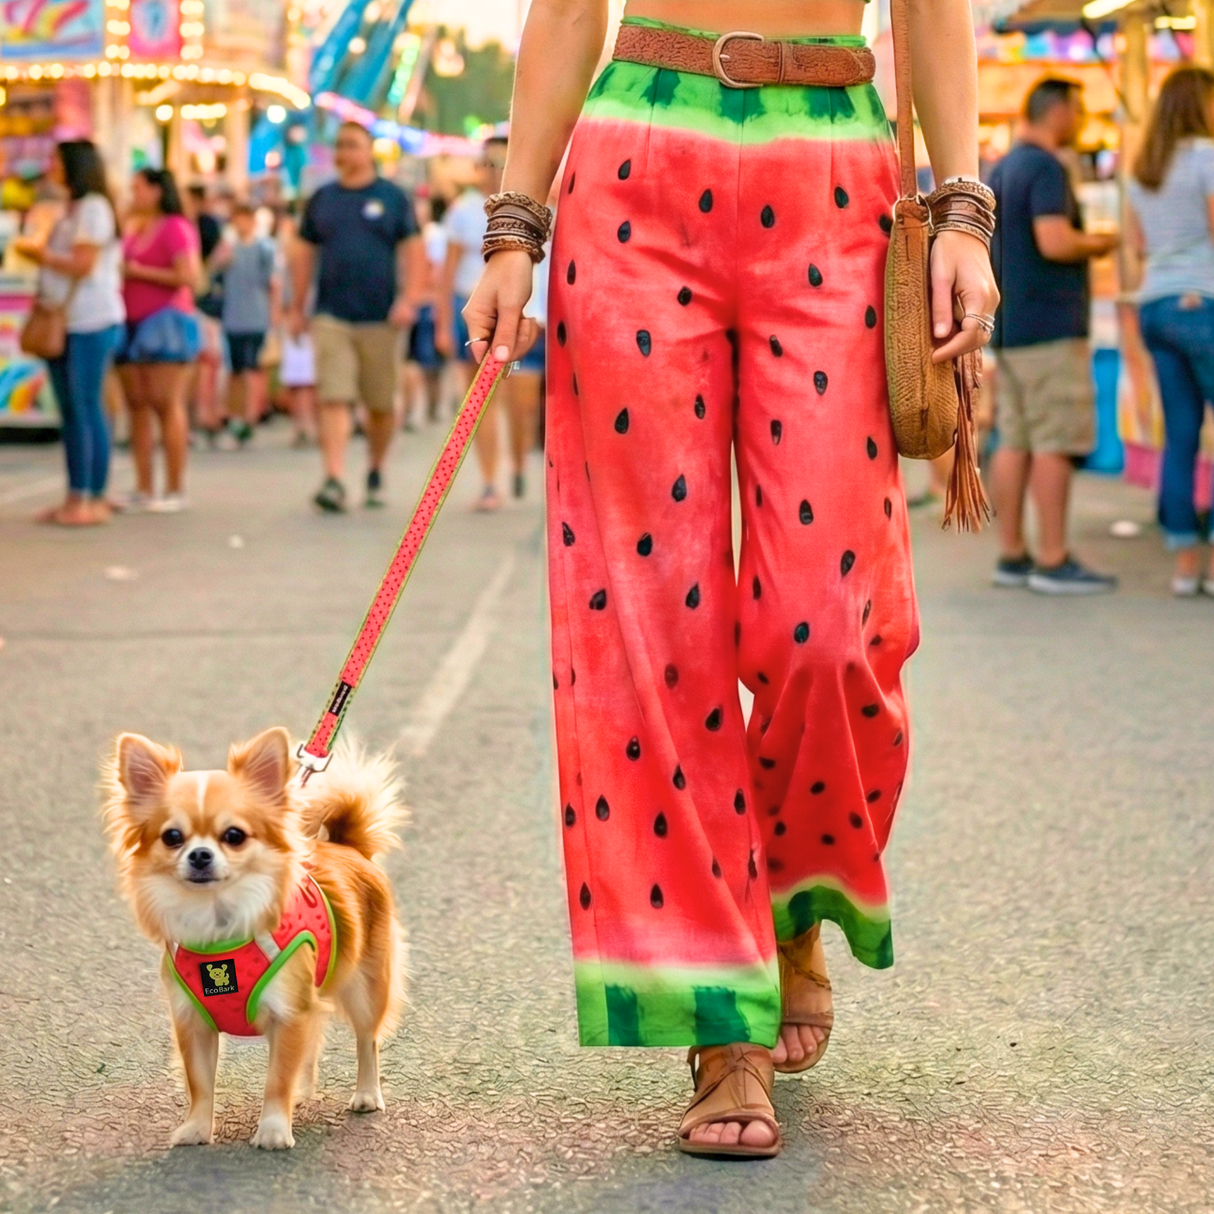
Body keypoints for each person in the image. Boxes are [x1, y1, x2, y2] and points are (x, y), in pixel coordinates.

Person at [464, 0, 998, 1158]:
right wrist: (514, 228)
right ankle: (720, 1017)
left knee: (824, 622)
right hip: (634, 176)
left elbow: (931, 8)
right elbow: (563, 10)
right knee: (649, 622)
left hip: (834, 181)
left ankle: (793, 894)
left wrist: (963, 208)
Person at [988, 78, 1119, 593]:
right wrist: (1100, 243)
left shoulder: (1004, 167)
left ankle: (1012, 553)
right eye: (1079, 107)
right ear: (1058, 109)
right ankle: (1053, 557)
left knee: (1014, 439)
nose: (1082, 118)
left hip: (1012, 325)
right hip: (1050, 327)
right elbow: (1054, 239)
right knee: (1054, 441)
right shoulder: (1045, 168)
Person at [289, 121, 424, 512]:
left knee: (380, 404)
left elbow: (414, 254)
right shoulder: (322, 199)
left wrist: (409, 300)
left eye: (352, 145)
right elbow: (302, 254)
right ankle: (333, 477)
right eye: (340, 145)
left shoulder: (393, 198)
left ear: (369, 152)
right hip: (331, 314)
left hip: (381, 316)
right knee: (333, 395)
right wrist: (297, 307)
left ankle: (376, 467)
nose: (344, 152)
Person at [1126, 67, 1214, 597]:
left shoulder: (1144, 168)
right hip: (1201, 300)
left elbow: (1138, 242)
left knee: (1181, 433)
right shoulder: (1207, 156)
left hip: (1155, 303)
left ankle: (1186, 563)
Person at [12, 141, 124, 525]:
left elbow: (83, 264)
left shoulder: (93, 208)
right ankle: (77, 493)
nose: (51, 167)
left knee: (85, 406)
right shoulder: (68, 209)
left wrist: (41, 256)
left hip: (90, 320)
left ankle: (91, 496)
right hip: (65, 320)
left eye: (58, 161)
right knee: (73, 410)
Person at [113, 167, 202, 513]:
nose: (132, 194)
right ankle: (144, 485)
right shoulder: (133, 227)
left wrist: (137, 272)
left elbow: (189, 276)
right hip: (130, 319)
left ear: (155, 190)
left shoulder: (176, 228)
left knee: (167, 403)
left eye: (137, 187)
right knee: (137, 405)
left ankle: (175, 487)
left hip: (165, 320)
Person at [438, 136, 507, 509]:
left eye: (503, 162)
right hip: (471, 312)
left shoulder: (527, 205)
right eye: (490, 163)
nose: (495, 172)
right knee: (480, 403)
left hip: (517, 311)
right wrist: (441, 323)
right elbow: (446, 273)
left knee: (522, 400)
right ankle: (489, 480)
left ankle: (513, 468)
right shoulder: (463, 211)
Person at [213, 201, 278, 448]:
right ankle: (235, 417)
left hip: (256, 316)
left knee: (253, 368)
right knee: (235, 370)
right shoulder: (228, 248)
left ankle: (250, 417)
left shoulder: (264, 248)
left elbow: (272, 284)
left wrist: (274, 318)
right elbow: (211, 277)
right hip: (232, 317)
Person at [403, 192, 447, 429]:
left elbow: (437, 271)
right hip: (419, 303)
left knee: (423, 361)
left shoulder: (431, 235)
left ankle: (424, 407)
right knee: (420, 362)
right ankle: (421, 408)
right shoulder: (426, 236)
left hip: (423, 303)